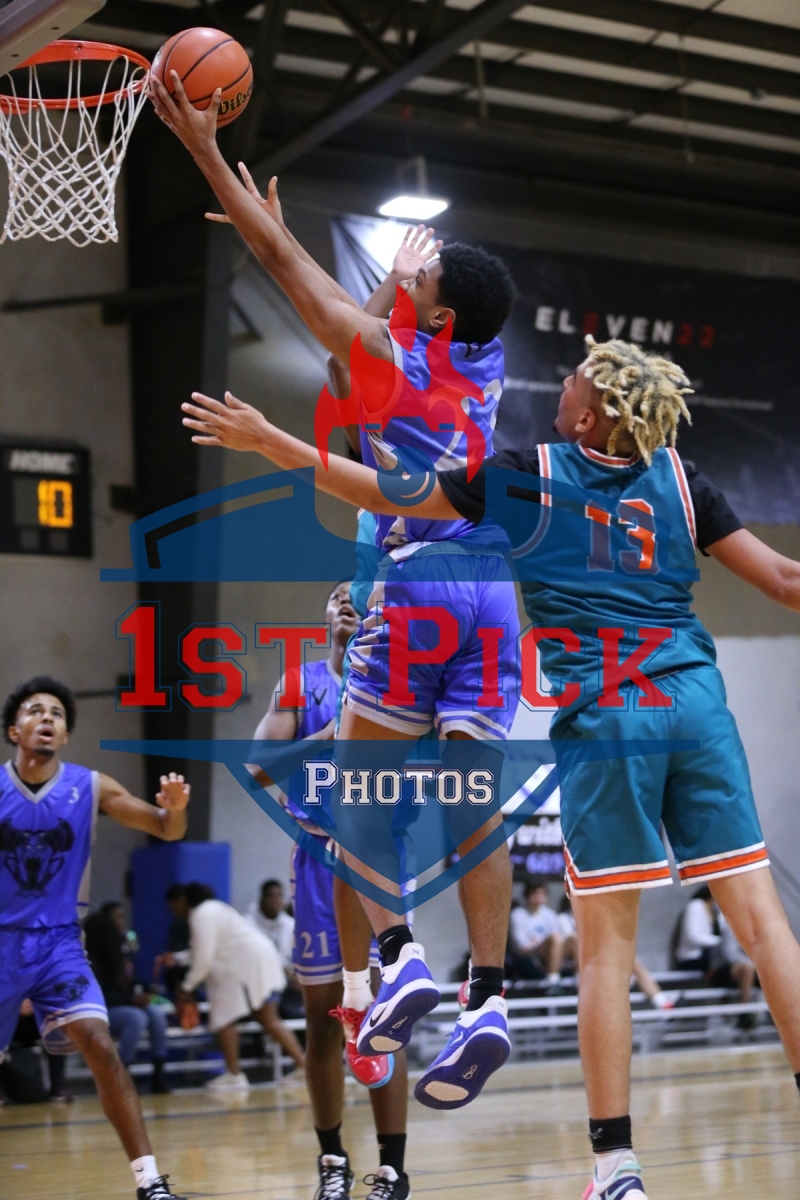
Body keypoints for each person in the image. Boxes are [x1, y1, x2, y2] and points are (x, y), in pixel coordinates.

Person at [180, 336, 800, 1200]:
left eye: (577, 375)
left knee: (606, 950)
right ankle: (484, 993)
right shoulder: (681, 480)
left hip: (609, 717)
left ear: (588, 414)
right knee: (766, 928)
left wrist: (270, 442)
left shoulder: (530, 473)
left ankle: (614, 1167)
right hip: (697, 706)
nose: (566, 377)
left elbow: (384, 491)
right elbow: (785, 580)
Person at [154, 74, 521, 1112]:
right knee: (475, 801)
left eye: (422, 272)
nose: (409, 268)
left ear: (435, 310)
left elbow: (290, 277)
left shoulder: (393, 355)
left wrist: (205, 151)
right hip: (492, 588)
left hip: (418, 582)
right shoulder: (479, 354)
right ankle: (488, 996)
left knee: (348, 798)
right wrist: (392, 283)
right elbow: (352, 323)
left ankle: (398, 960)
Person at [250, 582, 412, 1200]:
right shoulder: (301, 684)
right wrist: (328, 738)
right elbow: (258, 766)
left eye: (358, 595)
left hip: (379, 860)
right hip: (318, 859)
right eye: (338, 595)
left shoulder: (398, 685)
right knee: (323, 1022)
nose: (348, 601)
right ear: (325, 615)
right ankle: (333, 1161)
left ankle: (392, 1169)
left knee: (386, 1017)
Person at [0, 675, 190, 1200]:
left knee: (102, 1046)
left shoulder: (90, 786)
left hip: (59, 945)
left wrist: (175, 808)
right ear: (14, 730)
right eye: (35, 710)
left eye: (57, 714)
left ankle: (150, 1183)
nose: (47, 717)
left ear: (64, 735)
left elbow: (165, 828)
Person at [176, 882, 305, 1091]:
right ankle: (303, 1066)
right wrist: (178, 959)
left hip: (245, 968)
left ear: (182, 900)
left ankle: (235, 1074)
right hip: (258, 963)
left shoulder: (202, 913)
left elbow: (204, 959)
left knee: (226, 1019)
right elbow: (203, 951)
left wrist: (187, 987)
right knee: (268, 1020)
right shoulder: (216, 909)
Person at [85, 901, 171, 1093]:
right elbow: (101, 996)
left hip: (121, 1003)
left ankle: (159, 1074)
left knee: (156, 1014)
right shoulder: (92, 961)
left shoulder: (120, 953)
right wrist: (130, 1000)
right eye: (117, 918)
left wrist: (146, 990)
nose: (121, 923)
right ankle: (122, 1074)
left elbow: (126, 983)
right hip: (102, 1011)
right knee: (136, 1017)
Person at [508, 880, 566, 986]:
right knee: (555, 939)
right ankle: (553, 982)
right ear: (528, 895)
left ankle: (580, 979)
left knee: (572, 939)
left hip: (550, 951)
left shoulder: (550, 914)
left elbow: (559, 940)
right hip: (530, 955)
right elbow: (522, 947)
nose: (539, 897)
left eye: (542, 894)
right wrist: (540, 942)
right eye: (536, 893)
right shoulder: (517, 914)